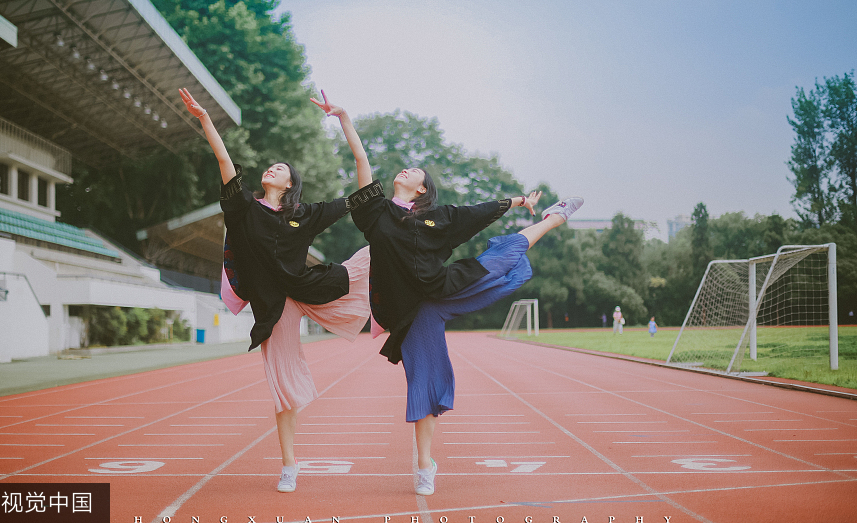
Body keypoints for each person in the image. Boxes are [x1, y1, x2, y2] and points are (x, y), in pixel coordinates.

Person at [313, 91, 583, 496]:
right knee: (423, 380)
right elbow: (361, 162)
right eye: (404, 169)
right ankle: (426, 465)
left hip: (444, 288)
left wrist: (519, 201)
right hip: (411, 309)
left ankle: (554, 218)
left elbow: (476, 212)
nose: (404, 171)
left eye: (413, 171)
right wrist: (344, 118)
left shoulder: (439, 219)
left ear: (422, 190)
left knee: (503, 253)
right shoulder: (376, 213)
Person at [180, 88, 371, 493]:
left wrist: (345, 120)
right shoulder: (244, 209)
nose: (271, 168)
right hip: (275, 304)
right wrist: (206, 120)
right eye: (270, 166)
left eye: (280, 168)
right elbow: (223, 161)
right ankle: (289, 465)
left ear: (290, 183)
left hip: (310, 287)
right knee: (283, 389)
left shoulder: (304, 215)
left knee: (379, 251)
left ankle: (397, 308)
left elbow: (362, 194)